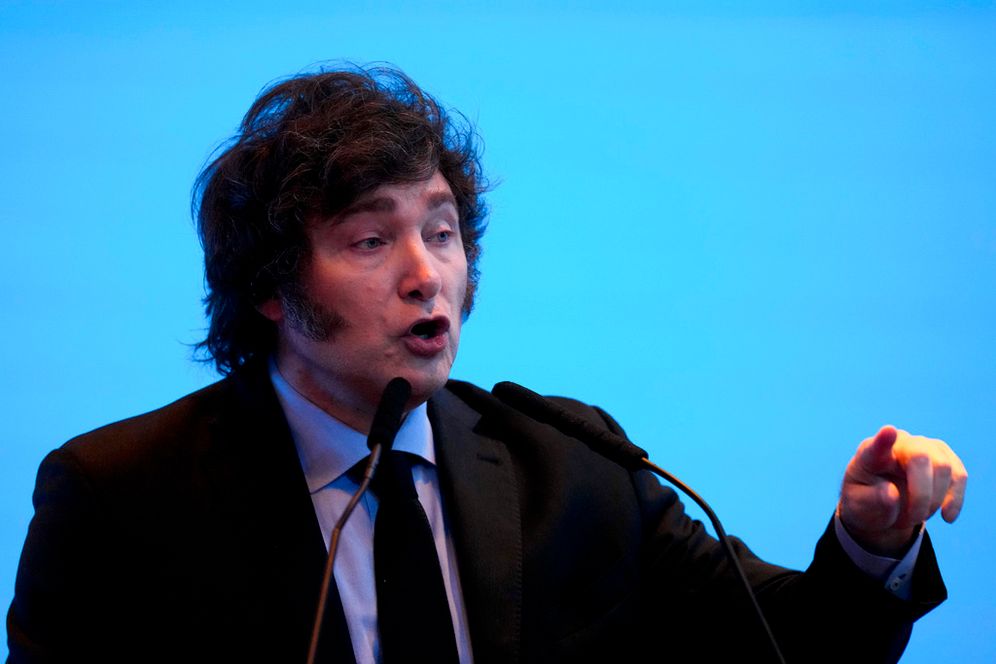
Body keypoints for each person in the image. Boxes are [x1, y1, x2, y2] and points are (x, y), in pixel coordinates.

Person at [6, 65, 967, 664]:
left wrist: (870, 544)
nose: (429, 276)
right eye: (371, 241)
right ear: (269, 287)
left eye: (442, 231)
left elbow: (789, 649)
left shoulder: (571, 466)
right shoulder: (120, 498)